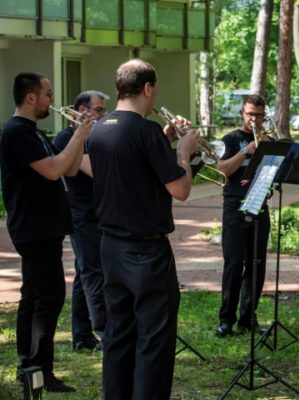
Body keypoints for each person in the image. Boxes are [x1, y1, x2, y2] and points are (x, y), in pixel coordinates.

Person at [87, 59, 199, 400]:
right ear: (148, 88)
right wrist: (182, 152)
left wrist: (162, 140)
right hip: (145, 252)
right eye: (156, 91)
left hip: (110, 247)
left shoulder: (100, 127)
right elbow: (180, 189)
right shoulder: (145, 131)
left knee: (118, 334)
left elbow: (132, 166)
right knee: (154, 339)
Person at [0, 72, 94, 393]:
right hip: (34, 227)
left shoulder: (32, 131)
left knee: (33, 296)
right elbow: (53, 171)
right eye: (48, 94)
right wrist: (80, 134)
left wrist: (78, 138)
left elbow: (67, 167)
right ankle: (40, 369)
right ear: (31, 98)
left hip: (43, 226)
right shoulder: (17, 132)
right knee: (50, 297)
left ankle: (28, 365)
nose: (52, 101)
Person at [54, 90, 109, 351]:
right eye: (98, 110)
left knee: (83, 274)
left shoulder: (92, 137)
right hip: (82, 216)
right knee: (93, 273)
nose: (103, 115)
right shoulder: (69, 138)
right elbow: (97, 171)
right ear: (81, 110)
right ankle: (104, 333)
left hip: (95, 213)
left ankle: (81, 335)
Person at [215, 94, 274, 337]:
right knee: (233, 264)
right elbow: (221, 171)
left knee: (256, 265)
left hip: (259, 205)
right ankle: (226, 319)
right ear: (242, 113)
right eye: (250, 114)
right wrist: (247, 152)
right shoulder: (230, 139)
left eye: (259, 115)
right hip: (234, 206)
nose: (254, 119)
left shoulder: (269, 140)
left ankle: (249, 318)